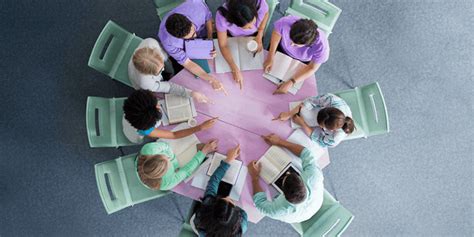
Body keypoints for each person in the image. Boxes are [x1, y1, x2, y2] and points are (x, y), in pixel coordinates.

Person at [248, 134, 324, 223]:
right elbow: (306, 153)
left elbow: (259, 202)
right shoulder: (314, 176)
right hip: (315, 204)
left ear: (283, 194)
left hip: (303, 214)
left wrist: (255, 177)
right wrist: (279, 142)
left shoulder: (278, 211)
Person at [158, 0, 227, 95]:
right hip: (186, 49)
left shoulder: (197, 6)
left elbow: (208, 19)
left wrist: (210, 40)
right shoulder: (168, 41)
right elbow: (187, 63)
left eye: (194, 31)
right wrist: (211, 79)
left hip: (203, 31)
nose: (195, 36)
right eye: (190, 37)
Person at [128, 38, 210, 103]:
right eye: (160, 71)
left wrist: (169, 68)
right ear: (149, 74)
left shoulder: (151, 42)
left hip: (142, 62)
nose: (163, 69)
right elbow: (168, 87)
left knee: (168, 66)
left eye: (162, 65)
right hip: (139, 81)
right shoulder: (145, 83)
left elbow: (165, 58)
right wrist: (190, 93)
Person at [190, 144, 248, 236]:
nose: (228, 197)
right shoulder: (241, 226)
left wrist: (228, 160)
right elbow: (243, 213)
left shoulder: (202, 217)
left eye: (225, 199)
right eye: (231, 201)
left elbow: (213, 182)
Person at [263, 16, 330, 94]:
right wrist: (270, 57)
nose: (291, 44)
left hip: (302, 59)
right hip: (282, 48)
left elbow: (312, 67)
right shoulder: (286, 21)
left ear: (308, 44)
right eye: (290, 39)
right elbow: (276, 34)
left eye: (296, 44)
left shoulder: (322, 47)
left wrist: (292, 82)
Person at [215, 0, 269, 89]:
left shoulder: (259, 3)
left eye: (253, 21)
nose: (252, 27)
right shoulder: (222, 16)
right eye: (247, 27)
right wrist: (234, 69)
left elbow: (266, 13)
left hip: (255, 35)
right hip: (232, 37)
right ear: (233, 22)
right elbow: (223, 45)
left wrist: (260, 34)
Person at [123, 89, 217, 139]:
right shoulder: (147, 130)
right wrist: (199, 128)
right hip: (131, 133)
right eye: (158, 105)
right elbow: (174, 135)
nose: (159, 105)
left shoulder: (136, 105)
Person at [274, 93, 354, 148]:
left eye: (320, 125)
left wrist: (302, 124)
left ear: (331, 130)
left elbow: (318, 139)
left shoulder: (335, 139)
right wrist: (289, 114)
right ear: (327, 108)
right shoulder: (330, 99)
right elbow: (310, 101)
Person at [136, 139, 218, 190]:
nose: (167, 157)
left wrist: (173, 160)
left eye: (163, 156)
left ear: (153, 156)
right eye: (168, 161)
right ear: (165, 172)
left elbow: (166, 147)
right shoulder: (167, 183)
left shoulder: (149, 149)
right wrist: (204, 152)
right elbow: (186, 171)